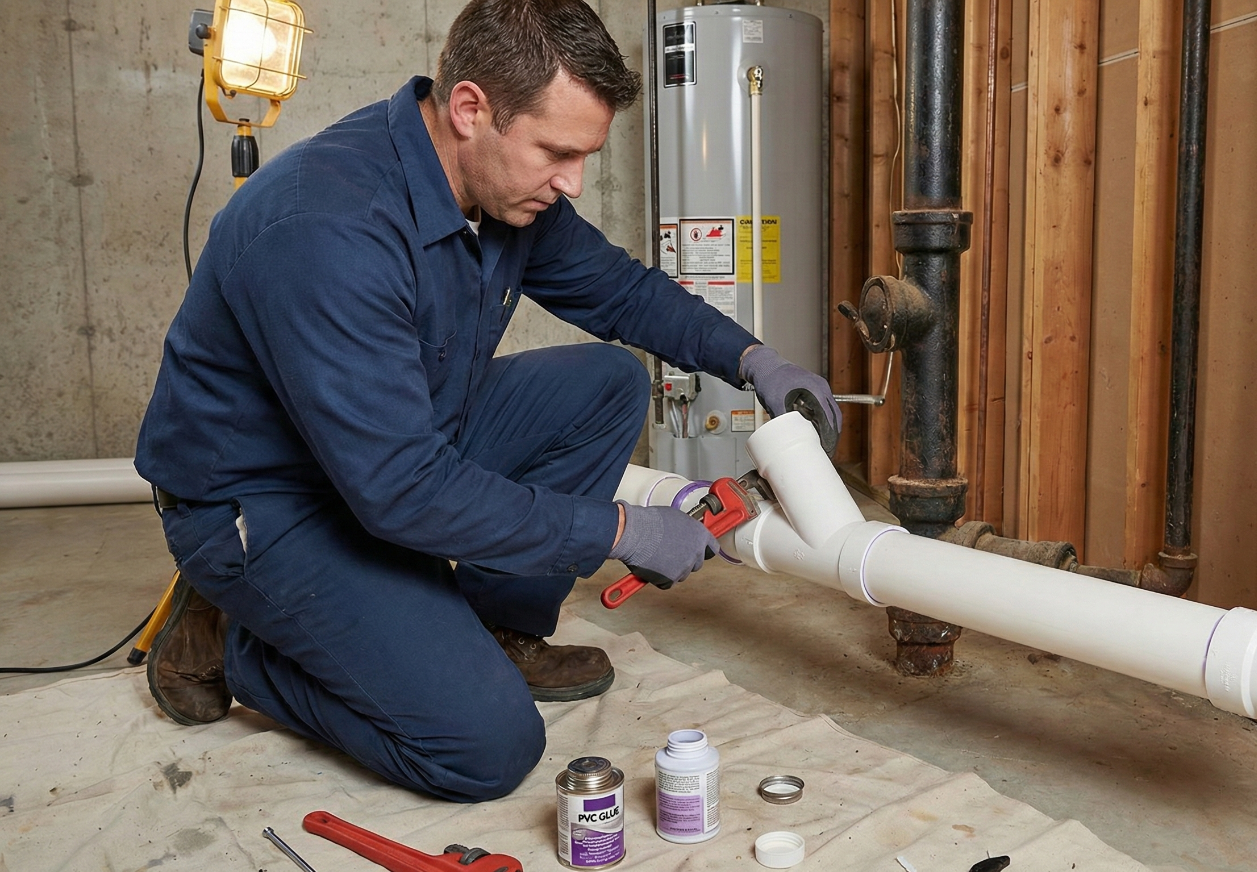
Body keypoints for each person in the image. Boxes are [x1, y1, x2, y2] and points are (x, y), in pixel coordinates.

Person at [134, 0, 839, 802]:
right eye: (557, 153)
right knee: (484, 749)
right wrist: (618, 527)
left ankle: (496, 629)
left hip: (385, 452)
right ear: (471, 109)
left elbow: (620, 293)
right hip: (265, 503)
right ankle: (241, 643)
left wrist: (752, 358)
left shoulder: (500, 191)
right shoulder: (327, 228)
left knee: (607, 383)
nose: (571, 182)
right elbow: (403, 491)